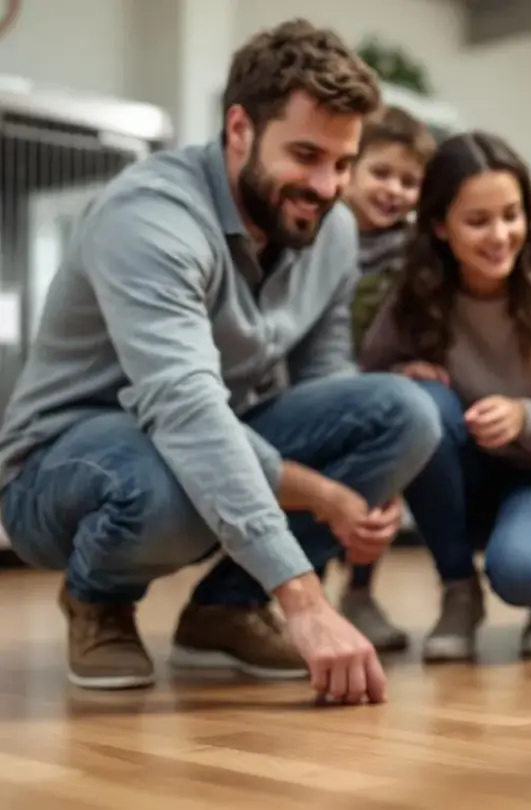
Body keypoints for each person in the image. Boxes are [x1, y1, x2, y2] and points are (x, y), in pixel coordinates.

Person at [0, 19, 442, 704]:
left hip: (201, 437)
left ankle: (227, 611)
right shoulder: (152, 217)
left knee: (403, 414)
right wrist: (303, 591)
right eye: (305, 154)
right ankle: (98, 599)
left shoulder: (334, 227)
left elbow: (326, 382)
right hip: (63, 470)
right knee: (164, 478)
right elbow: (186, 413)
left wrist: (355, 487)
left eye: (343, 161)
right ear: (239, 128)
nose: (327, 185)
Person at [360, 130, 531, 661]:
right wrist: (399, 372)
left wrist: (526, 417)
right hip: (464, 478)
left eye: (511, 215)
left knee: (524, 572)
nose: (501, 235)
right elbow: (368, 382)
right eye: (478, 222)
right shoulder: (418, 290)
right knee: (415, 402)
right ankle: (458, 591)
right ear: (439, 227)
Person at [336, 105, 436, 651]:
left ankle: (358, 592)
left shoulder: (414, 257)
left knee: (374, 494)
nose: (394, 190)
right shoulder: (320, 238)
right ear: (349, 169)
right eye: (381, 173)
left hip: (373, 390)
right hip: (311, 387)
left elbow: (416, 329)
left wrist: (410, 365)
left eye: (409, 181)